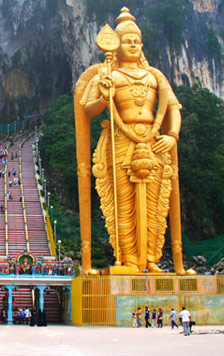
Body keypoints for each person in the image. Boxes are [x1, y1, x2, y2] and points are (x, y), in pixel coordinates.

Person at [76, 7, 194, 275]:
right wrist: (104, 97)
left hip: (153, 141)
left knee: (155, 203)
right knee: (123, 203)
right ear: (116, 46)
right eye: (127, 41)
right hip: (120, 140)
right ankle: (129, 259)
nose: (133, 45)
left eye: (136, 41)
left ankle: (151, 258)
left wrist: (172, 135)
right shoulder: (108, 75)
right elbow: (87, 110)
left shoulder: (155, 76)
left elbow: (173, 107)